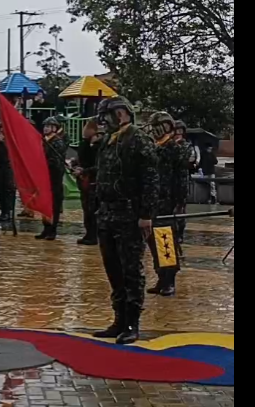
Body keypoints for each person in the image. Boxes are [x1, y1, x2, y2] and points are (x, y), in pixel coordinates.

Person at [92, 97, 159, 345]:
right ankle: (119, 320)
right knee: (113, 270)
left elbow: (150, 180)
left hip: (130, 215)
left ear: (121, 113)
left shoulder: (138, 139)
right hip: (107, 214)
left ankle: (132, 324)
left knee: (131, 270)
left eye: (106, 115)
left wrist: (146, 215)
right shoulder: (110, 140)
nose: (102, 121)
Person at [146, 111, 181, 297]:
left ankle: (169, 281)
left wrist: (179, 201)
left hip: (167, 202)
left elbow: (180, 177)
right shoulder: (152, 146)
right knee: (154, 242)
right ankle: (161, 277)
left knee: (166, 241)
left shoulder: (173, 147)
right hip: (152, 201)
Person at [36, 116, 68, 241]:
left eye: (48, 126)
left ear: (55, 128)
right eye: (45, 126)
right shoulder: (44, 141)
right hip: (45, 178)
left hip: (54, 177)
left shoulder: (57, 142)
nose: (46, 129)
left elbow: (55, 161)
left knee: (54, 204)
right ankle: (46, 228)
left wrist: (43, 163)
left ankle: (52, 230)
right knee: (45, 203)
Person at [73, 120, 102, 246]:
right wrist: (76, 166)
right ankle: (89, 233)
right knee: (86, 209)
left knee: (93, 210)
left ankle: (93, 235)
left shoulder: (99, 148)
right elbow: (81, 159)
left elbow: (99, 166)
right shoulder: (84, 145)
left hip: (94, 182)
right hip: (84, 181)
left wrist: (84, 171)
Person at [0, 125, 16, 223]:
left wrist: (3, 142)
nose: (1, 130)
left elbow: (12, 152)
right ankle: (3, 211)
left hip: (9, 167)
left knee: (8, 189)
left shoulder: (12, 139)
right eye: (0, 128)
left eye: (3, 128)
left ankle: (8, 212)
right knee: (0, 189)